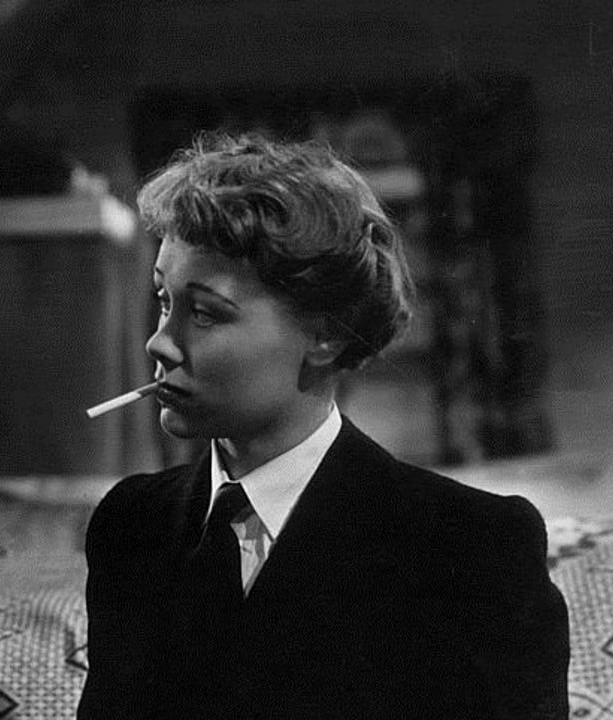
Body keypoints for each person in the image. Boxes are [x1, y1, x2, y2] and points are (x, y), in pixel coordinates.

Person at [78, 133, 569, 719]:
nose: (160, 343)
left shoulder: (471, 548)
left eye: (205, 313)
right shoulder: (132, 526)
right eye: (164, 301)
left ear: (325, 335)